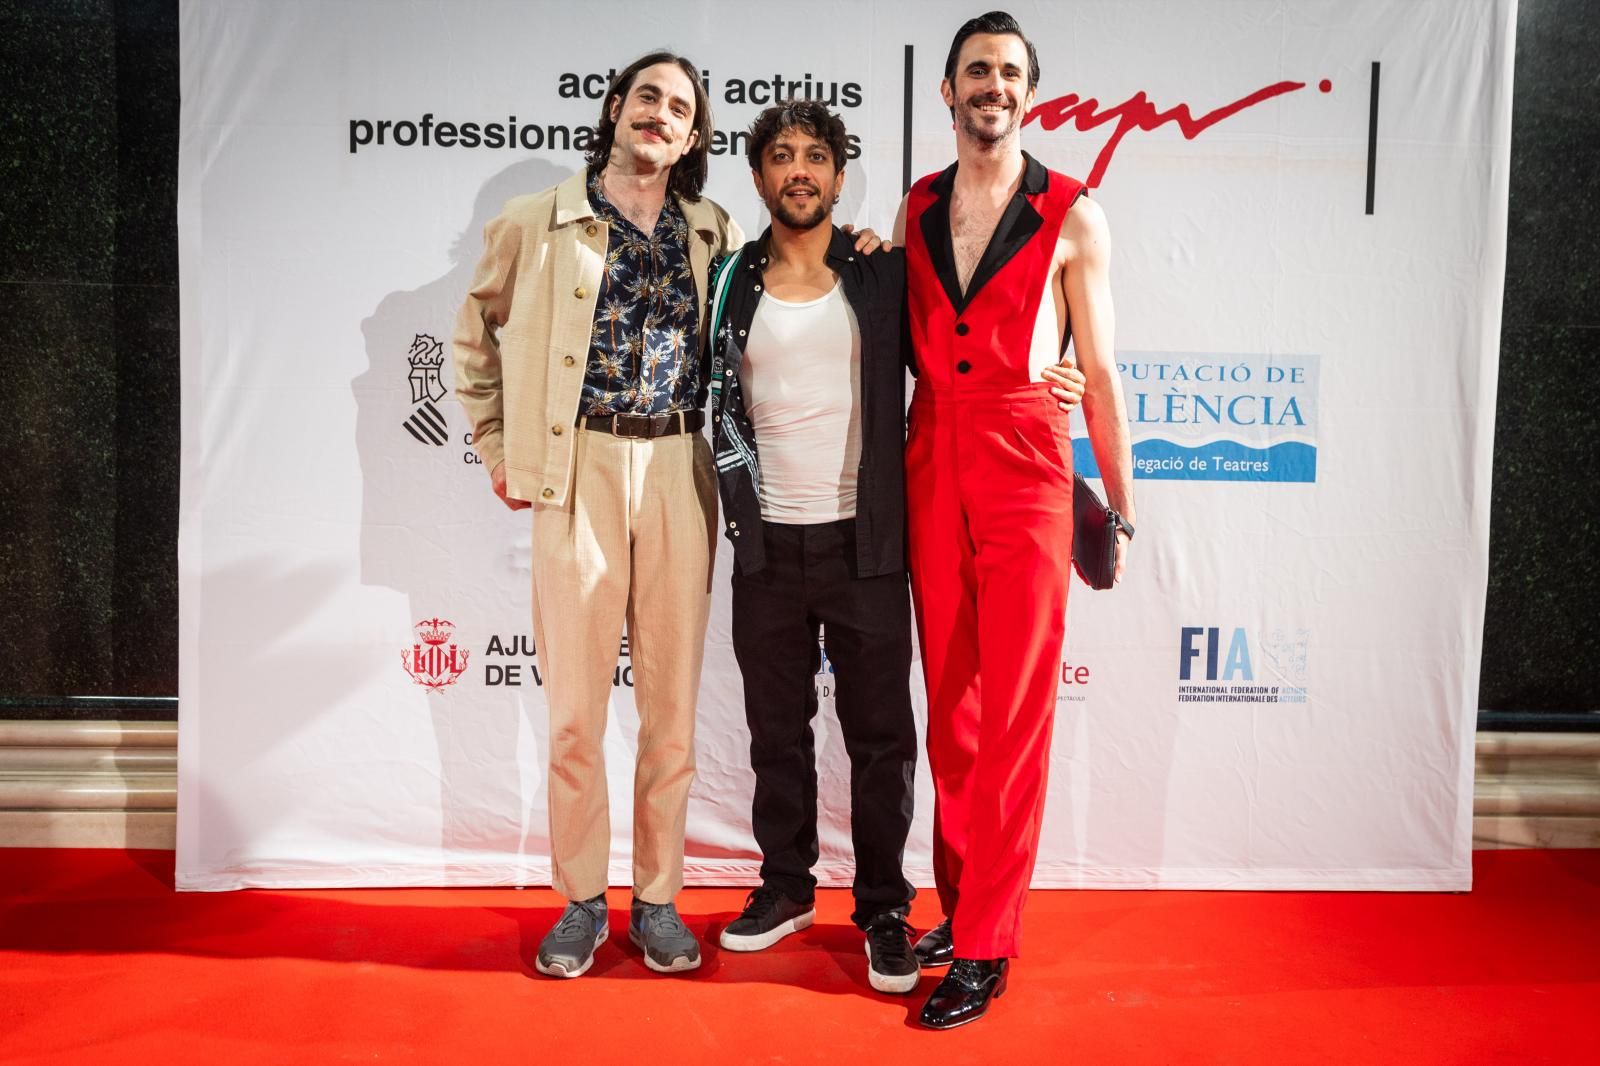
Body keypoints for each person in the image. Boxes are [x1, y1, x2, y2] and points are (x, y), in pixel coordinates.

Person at [453, 51, 739, 980]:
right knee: (575, 709)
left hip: (679, 466)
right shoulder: (536, 220)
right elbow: (473, 334)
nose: (660, 114)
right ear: (616, 109)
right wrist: (501, 450)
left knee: (671, 713)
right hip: (576, 468)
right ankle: (581, 898)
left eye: (680, 107)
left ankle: (657, 900)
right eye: (647, 96)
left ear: (694, 137)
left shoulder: (711, 229)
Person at [893, 11, 1136, 1029]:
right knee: (950, 706)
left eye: (1008, 71)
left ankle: (989, 944)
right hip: (929, 453)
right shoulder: (913, 206)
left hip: (1026, 460)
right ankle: (959, 907)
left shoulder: (1075, 211)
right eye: (974, 71)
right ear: (945, 93)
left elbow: (1103, 371)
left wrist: (1118, 505)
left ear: (1028, 93)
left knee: (1015, 719)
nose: (991, 84)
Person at [704, 101, 920, 994]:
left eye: (817, 157)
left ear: (838, 176)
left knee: (880, 738)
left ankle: (882, 909)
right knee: (776, 736)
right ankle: (787, 888)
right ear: (757, 177)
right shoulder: (727, 280)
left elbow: (964, 360)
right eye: (782, 156)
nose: (800, 170)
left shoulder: (882, 276)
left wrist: (1054, 372)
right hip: (764, 547)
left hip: (865, 543)